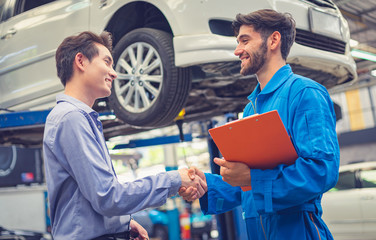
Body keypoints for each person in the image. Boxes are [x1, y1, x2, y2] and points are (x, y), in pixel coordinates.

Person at [180, 9, 340, 240]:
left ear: (274, 40)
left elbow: (321, 171)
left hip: (297, 230)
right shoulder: (251, 109)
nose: (237, 51)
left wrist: (252, 178)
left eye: (245, 40)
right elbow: (248, 187)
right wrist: (207, 184)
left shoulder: (305, 94)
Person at [43, 31, 207, 240]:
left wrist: (122, 223)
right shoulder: (71, 118)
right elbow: (108, 197)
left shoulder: (78, 118)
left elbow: (87, 196)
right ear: (81, 61)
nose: (114, 73)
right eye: (107, 62)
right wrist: (174, 179)